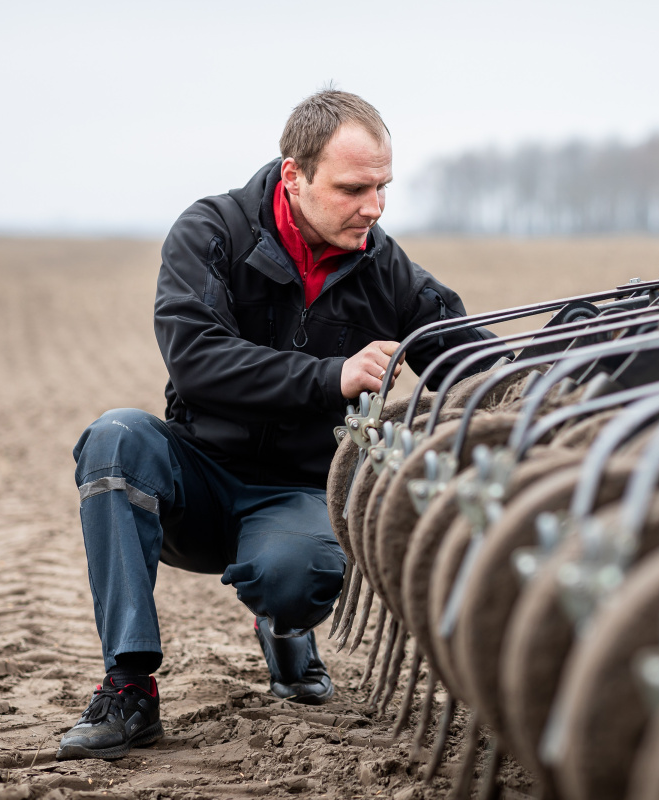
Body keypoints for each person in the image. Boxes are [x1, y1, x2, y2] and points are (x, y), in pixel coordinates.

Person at [57, 90, 499, 760]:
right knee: (115, 438)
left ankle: (287, 627)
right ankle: (128, 688)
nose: (374, 208)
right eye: (354, 189)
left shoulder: (383, 266)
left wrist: (557, 375)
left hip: (293, 492)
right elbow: (199, 360)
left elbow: (464, 354)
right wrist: (333, 376)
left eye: (383, 188)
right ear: (294, 176)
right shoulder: (212, 232)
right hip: (196, 475)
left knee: (299, 572)